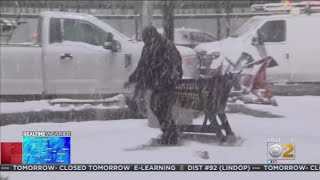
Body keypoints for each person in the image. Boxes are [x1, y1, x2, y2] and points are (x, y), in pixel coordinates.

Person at [125, 25, 183, 145]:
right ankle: (169, 134)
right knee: (156, 106)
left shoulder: (166, 46)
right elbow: (142, 66)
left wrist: (166, 79)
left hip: (167, 84)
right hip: (158, 83)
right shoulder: (148, 48)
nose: (146, 42)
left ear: (153, 36)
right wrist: (132, 79)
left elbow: (174, 66)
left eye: (147, 38)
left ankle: (171, 135)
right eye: (144, 39)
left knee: (160, 106)